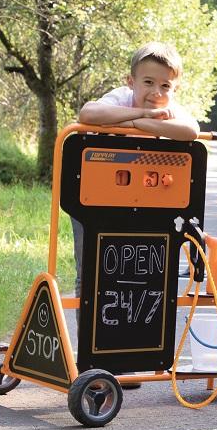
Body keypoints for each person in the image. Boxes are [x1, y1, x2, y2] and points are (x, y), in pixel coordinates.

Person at [73, 41, 200, 296]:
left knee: (138, 267)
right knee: (91, 267)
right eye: (148, 82)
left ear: (175, 88)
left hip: (144, 199)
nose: (156, 92)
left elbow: (191, 130)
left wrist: (138, 123)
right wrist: (141, 114)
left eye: (165, 86)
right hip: (95, 195)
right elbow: (87, 114)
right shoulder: (121, 97)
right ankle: (87, 323)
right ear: (131, 82)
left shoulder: (170, 109)